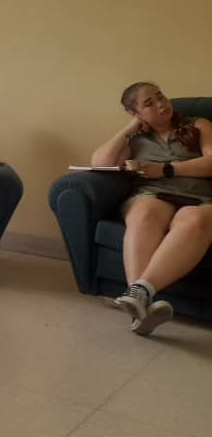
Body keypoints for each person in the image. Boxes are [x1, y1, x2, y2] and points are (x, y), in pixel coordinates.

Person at [91, 82, 212, 336]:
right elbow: (100, 163)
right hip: (152, 195)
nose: (161, 104)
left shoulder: (198, 124)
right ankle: (141, 305)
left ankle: (140, 293)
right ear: (134, 112)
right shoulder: (135, 138)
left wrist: (167, 169)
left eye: (160, 96)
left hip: (199, 198)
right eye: (149, 103)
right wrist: (129, 128)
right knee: (144, 214)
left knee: (195, 221)